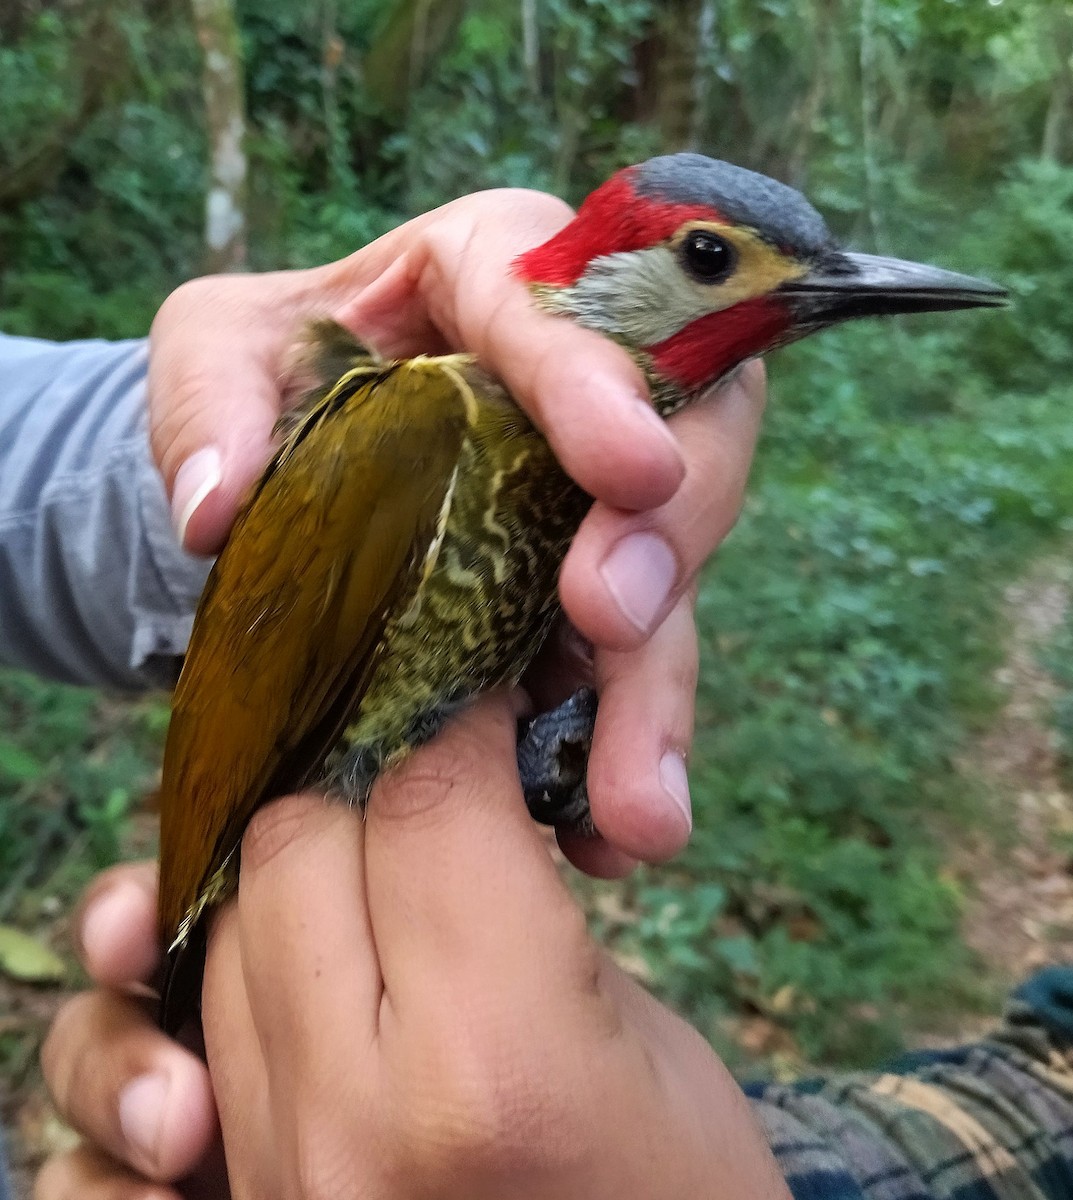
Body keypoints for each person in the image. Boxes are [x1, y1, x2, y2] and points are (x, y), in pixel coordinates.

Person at [4, 189, 1073, 1199]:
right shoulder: (426, 419)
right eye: (710, 260)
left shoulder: (560, 452)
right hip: (272, 912)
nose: (753, 286)